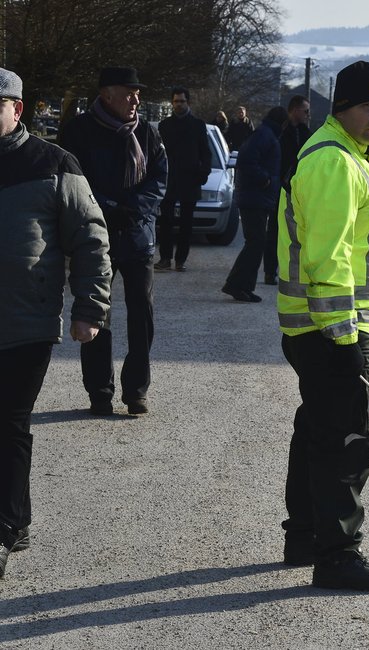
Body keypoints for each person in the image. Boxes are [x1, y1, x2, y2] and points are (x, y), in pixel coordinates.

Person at [276, 61, 369, 591]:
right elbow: (328, 262)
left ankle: (305, 536)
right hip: (331, 332)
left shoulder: (349, 157)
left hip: (333, 328)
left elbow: (354, 256)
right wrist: (349, 339)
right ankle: (338, 554)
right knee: (346, 439)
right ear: (341, 110)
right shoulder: (335, 162)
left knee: (316, 431)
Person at [0, 67, 112, 579]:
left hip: (25, 321)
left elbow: (90, 238)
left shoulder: (53, 164)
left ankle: (5, 528)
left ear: (16, 109)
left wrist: (90, 308)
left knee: (8, 421)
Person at [60, 66, 167, 416]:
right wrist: (106, 208)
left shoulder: (148, 134)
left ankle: (136, 391)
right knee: (95, 315)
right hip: (94, 237)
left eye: (138, 93)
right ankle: (99, 393)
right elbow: (72, 180)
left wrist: (135, 209)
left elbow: (159, 178)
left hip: (137, 236)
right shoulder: (78, 131)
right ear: (106, 94)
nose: (136, 99)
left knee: (142, 317)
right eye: (128, 92)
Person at [221, 106, 287, 302]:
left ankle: (240, 286)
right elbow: (247, 160)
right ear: (281, 122)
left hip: (256, 197)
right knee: (256, 242)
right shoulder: (265, 135)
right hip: (255, 197)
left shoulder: (265, 134)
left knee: (255, 242)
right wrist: (264, 179)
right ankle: (237, 285)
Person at [155, 86, 211, 272]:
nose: (179, 104)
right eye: (176, 101)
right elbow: (158, 154)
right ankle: (165, 258)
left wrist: (203, 174)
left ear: (188, 102)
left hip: (190, 179)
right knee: (166, 222)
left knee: (186, 223)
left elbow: (205, 152)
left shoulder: (197, 125)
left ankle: (180, 260)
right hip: (170, 179)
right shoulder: (165, 125)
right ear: (172, 103)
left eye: (182, 101)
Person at [265, 94, 311, 286]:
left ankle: (295, 271)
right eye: (305, 111)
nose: (308, 115)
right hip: (279, 188)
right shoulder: (280, 131)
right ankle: (270, 271)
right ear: (295, 110)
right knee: (275, 231)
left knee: (298, 232)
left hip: (299, 190)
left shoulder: (305, 132)